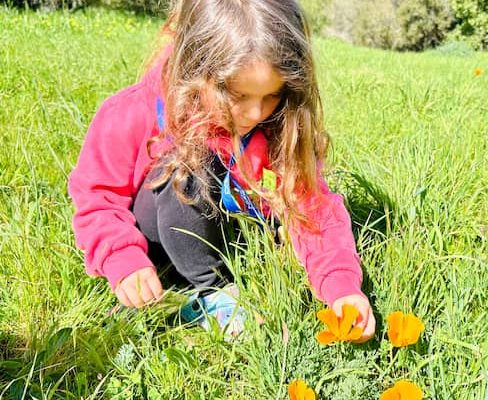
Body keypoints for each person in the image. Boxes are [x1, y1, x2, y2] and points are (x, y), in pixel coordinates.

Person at [67, 0, 375, 341]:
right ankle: (212, 292)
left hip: (232, 235)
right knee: (187, 166)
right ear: (192, 67)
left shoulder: (276, 123)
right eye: (237, 95)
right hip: (158, 244)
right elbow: (98, 198)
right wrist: (122, 258)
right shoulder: (130, 113)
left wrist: (341, 287)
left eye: (273, 95)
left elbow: (312, 209)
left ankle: (216, 289)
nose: (256, 112)